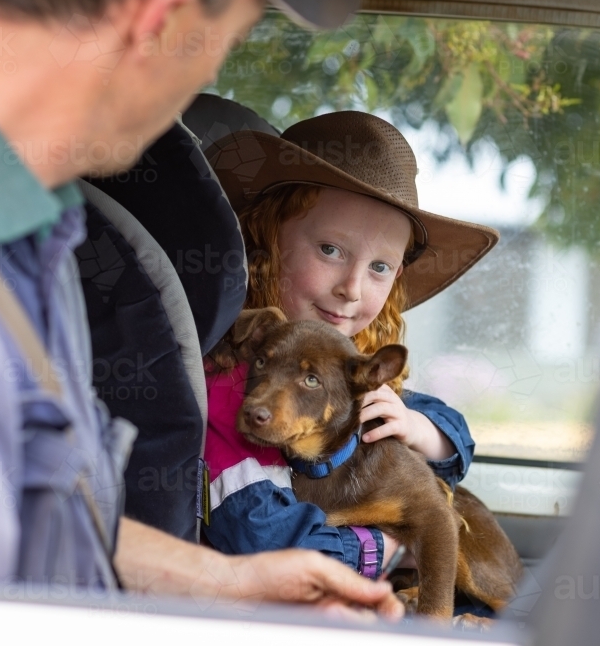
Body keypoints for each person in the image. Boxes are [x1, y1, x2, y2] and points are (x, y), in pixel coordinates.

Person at [0, 0, 403, 618]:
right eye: (220, 47)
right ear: (159, 19)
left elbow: (24, 509)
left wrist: (221, 584)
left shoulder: (27, 227)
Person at [202, 112, 499, 579]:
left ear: (398, 276)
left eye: (380, 267)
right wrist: (390, 544)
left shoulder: (348, 364)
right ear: (266, 241)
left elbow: (449, 426)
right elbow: (267, 540)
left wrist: (419, 428)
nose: (353, 288)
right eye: (330, 250)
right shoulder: (229, 376)